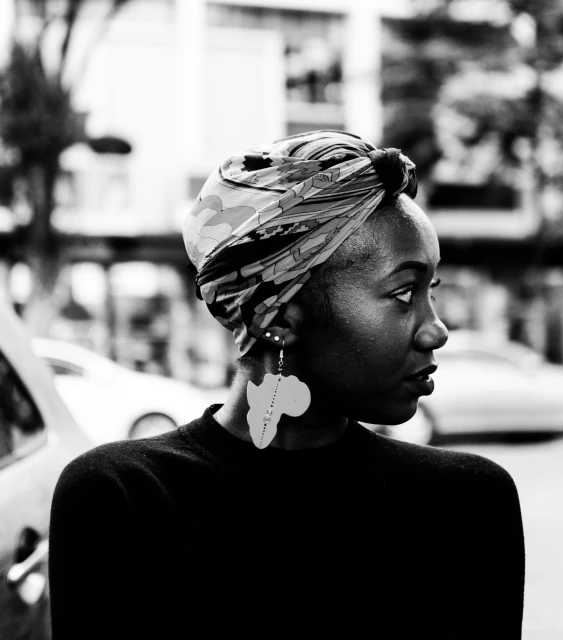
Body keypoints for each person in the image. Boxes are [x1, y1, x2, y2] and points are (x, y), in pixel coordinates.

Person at [48, 130, 525, 639]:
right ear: (281, 321)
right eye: (404, 292)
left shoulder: (468, 504)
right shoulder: (122, 500)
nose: (437, 329)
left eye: (432, 289)